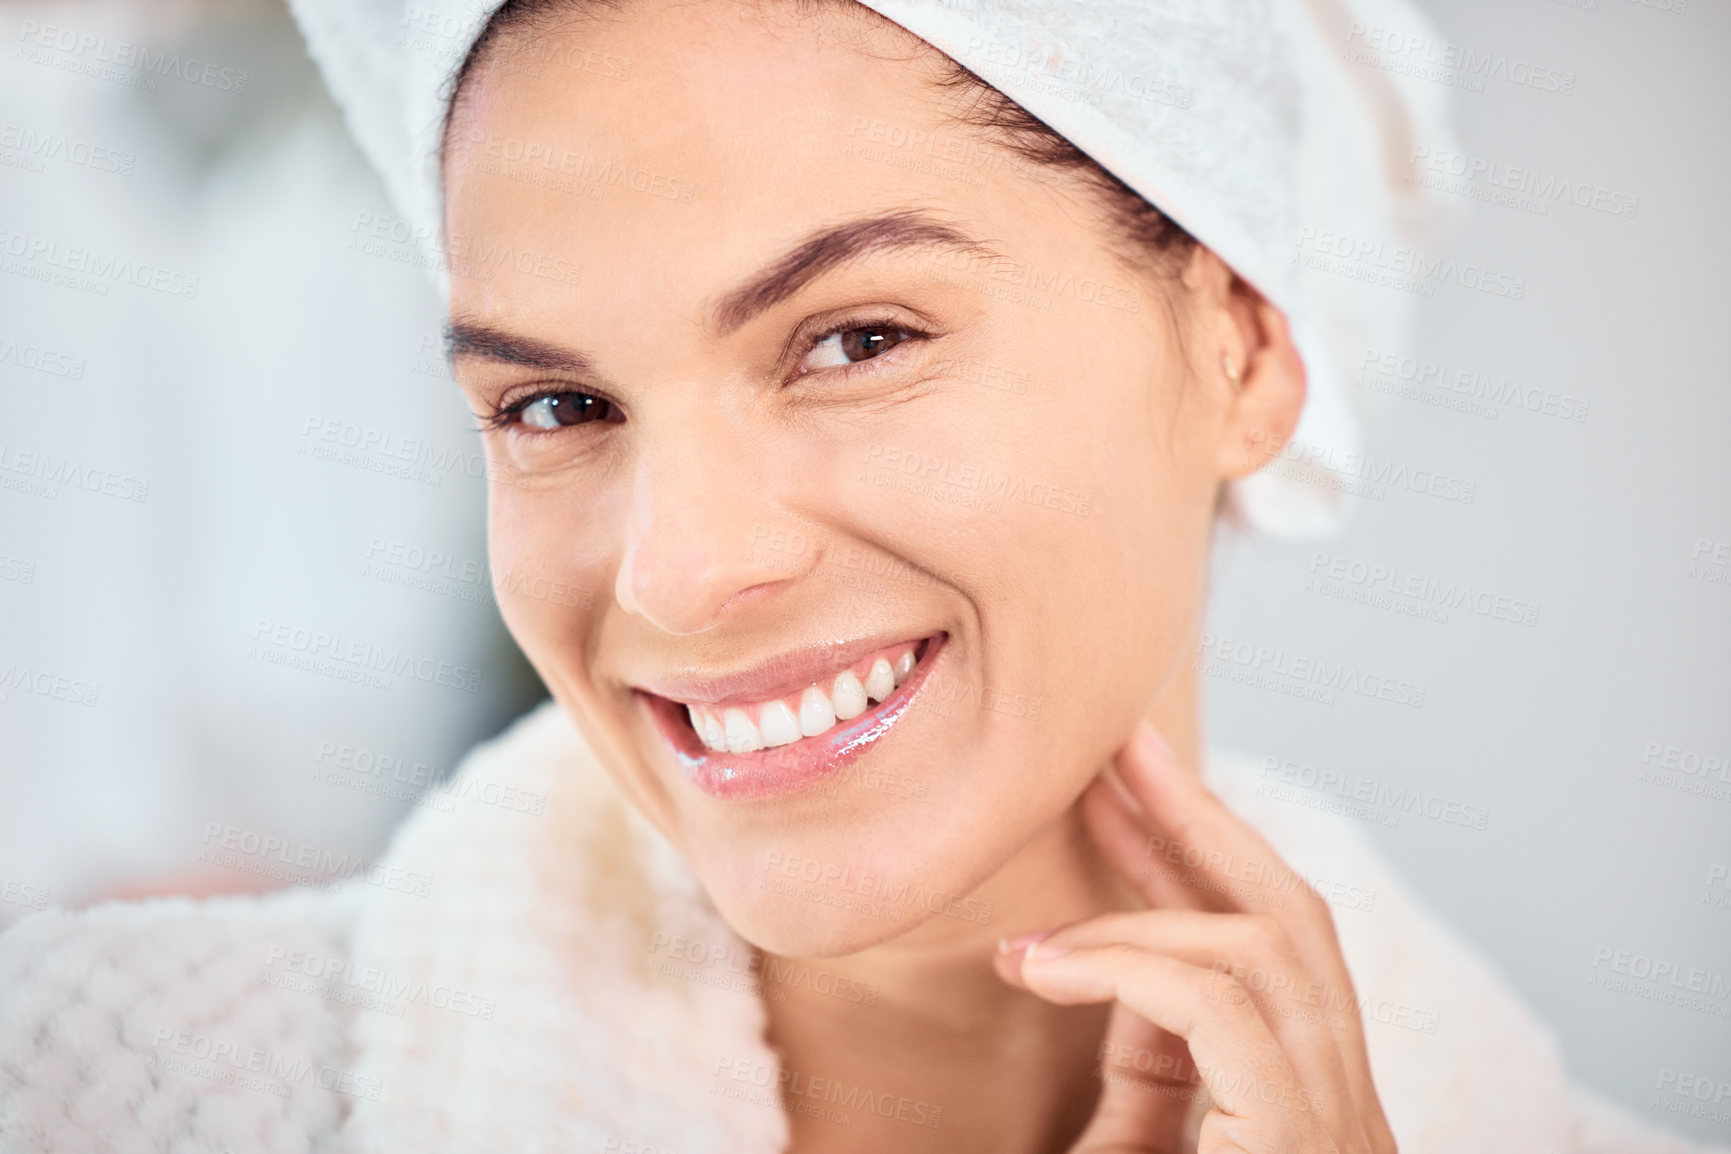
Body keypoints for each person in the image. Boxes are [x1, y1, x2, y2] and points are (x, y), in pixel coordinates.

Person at [0, 2, 1717, 1151]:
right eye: (557, 402)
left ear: (1243, 347)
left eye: (856, 337)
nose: (680, 568)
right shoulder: (105, 1088)